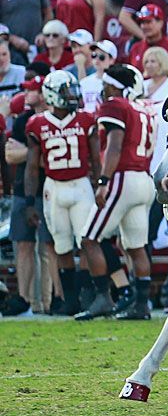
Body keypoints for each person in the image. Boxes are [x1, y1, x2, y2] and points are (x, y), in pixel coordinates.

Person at [26, 71, 107, 320]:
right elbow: (32, 166)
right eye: (66, 91)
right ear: (52, 94)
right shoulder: (37, 123)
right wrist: (30, 202)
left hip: (81, 184)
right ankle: (70, 300)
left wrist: (98, 185)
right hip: (54, 187)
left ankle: (90, 296)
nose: (72, 96)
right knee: (61, 244)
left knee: (86, 240)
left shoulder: (85, 118)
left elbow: (95, 158)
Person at [84, 63, 158, 321]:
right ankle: (141, 305)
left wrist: (103, 180)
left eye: (108, 83)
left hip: (122, 177)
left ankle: (104, 298)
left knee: (89, 237)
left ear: (118, 86)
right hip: (144, 179)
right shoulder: (145, 108)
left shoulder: (116, 105)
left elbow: (114, 147)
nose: (104, 88)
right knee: (136, 247)